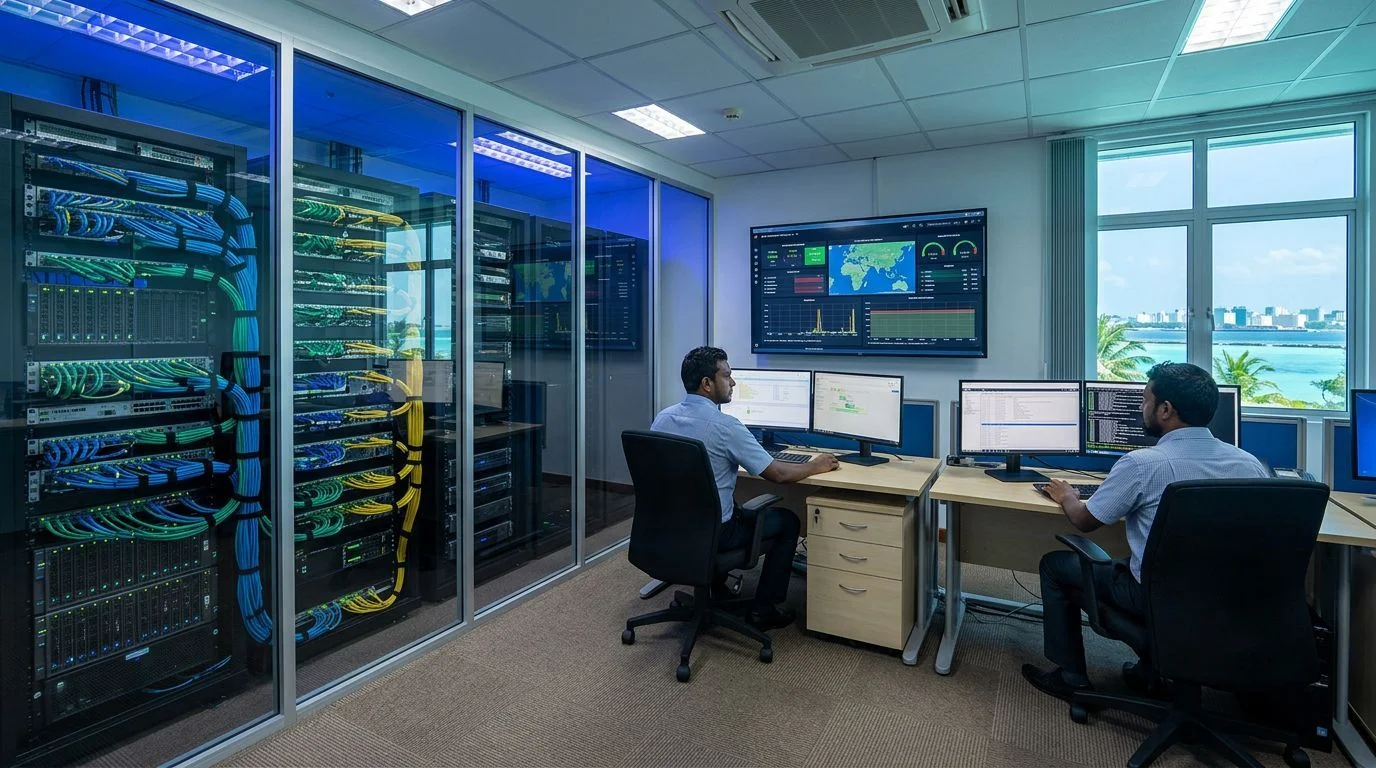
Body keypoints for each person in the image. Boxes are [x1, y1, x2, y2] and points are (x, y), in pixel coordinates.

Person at [1022, 362, 1269, 700]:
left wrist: (1067, 495)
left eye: (1145, 401)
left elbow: (1085, 521)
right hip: (1230, 599)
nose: (1141, 408)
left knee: (1056, 564)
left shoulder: (1143, 464)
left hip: (1153, 597)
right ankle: (1149, 668)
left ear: (1165, 410)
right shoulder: (1250, 465)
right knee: (1137, 562)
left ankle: (1072, 676)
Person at [651, 346, 839, 630]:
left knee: (728, 505)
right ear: (707, 384)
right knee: (788, 521)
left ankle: (717, 588)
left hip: (669, 530)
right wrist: (816, 465)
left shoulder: (662, 418)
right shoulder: (725, 426)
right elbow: (777, 473)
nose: (733, 383)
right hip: (716, 535)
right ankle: (763, 610)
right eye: (727, 376)